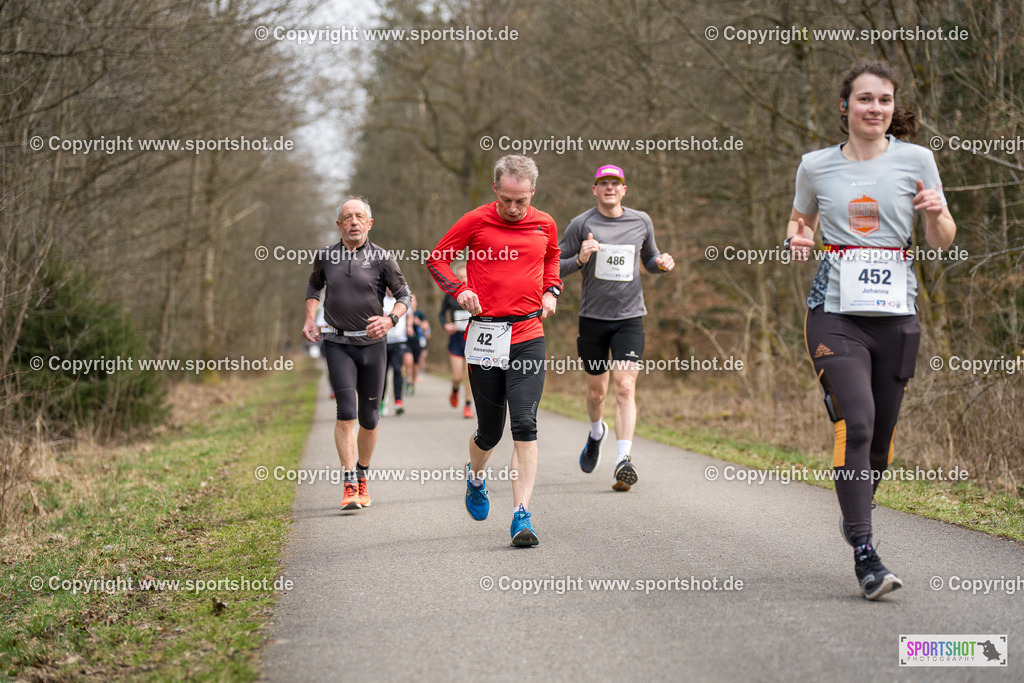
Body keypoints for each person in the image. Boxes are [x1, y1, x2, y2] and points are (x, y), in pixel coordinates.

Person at [785, 61, 955, 600]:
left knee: (878, 445)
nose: (875, 108)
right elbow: (798, 222)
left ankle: (855, 509)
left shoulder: (918, 160)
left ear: (892, 107)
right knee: (855, 426)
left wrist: (933, 213)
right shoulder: (815, 166)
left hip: (896, 318)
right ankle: (865, 551)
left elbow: (943, 239)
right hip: (834, 314)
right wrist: (796, 240)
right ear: (845, 107)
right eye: (864, 99)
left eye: (884, 100)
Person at [427, 155, 561, 547]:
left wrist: (552, 290)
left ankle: (521, 516)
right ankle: (476, 476)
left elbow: (552, 258)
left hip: (528, 333)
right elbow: (437, 259)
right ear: (495, 190)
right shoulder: (476, 220)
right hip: (485, 336)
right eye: (507, 200)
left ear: (532, 192)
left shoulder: (545, 223)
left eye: (521, 200)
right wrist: (459, 289)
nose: (515, 209)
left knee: (524, 422)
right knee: (490, 431)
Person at [559, 164, 674, 492]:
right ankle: (596, 433)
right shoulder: (581, 224)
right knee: (597, 392)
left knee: (625, 387)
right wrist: (579, 259)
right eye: (603, 183)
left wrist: (661, 264)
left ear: (624, 189)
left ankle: (624, 460)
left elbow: (650, 260)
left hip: (629, 318)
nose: (610, 188)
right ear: (594, 189)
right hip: (593, 319)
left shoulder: (641, 221)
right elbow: (552, 265)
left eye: (616, 183)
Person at [302, 197, 412, 511]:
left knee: (369, 417)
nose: (353, 221)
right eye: (347, 217)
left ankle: (362, 473)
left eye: (359, 216)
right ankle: (349, 481)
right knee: (346, 412)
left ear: (369, 223)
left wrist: (391, 319)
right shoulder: (326, 256)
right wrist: (311, 319)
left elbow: (405, 295)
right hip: (336, 343)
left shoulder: (383, 258)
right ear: (339, 224)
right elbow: (313, 288)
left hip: (373, 345)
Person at [439, 263, 474, 418]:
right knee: (457, 376)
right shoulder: (451, 294)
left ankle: (467, 406)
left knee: (470, 376)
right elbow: (441, 314)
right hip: (456, 339)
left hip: (473, 339)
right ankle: (454, 390)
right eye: (460, 277)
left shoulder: (476, 293)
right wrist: (446, 325)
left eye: (465, 277)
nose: (463, 280)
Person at [383, 290, 411, 415]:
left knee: (398, 370)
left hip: (399, 341)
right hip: (383, 341)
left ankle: (398, 402)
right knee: (382, 373)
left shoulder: (402, 298)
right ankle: (381, 402)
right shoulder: (380, 299)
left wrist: (409, 326)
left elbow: (409, 314)